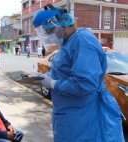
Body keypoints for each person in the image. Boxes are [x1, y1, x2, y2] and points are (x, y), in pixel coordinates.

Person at [31, 4, 125, 142]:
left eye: (51, 30)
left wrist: (53, 84)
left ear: (63, 24)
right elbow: (62, 72)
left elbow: (86, 83)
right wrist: (46, 77)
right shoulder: (67, 44)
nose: (50, 36)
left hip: (85, 117)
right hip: (70, 115)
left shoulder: (82, 40)